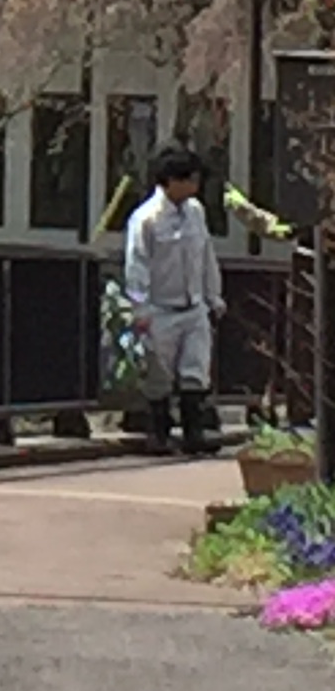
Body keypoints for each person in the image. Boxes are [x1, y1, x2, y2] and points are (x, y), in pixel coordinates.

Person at [123, 143, 224, 457]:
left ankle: (194, 432)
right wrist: (139, 307)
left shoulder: (196, 212)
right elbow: (136, 266)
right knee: (160, 375)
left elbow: (206, 256)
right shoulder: (146, 219)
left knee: (195, 370)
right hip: (160, 308)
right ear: (172, 180)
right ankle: (159, 432)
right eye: (190, 179)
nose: (195, 186)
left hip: (194, 307)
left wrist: (213, 296)